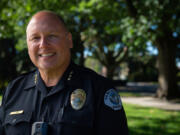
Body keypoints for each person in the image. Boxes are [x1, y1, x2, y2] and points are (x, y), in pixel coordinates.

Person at [0, 11, 128, 135]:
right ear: (28, 46)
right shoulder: (13, 90)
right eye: (35, 38)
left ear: (69, 40)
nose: (43, 45)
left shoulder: (99, 90)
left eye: (52, 36)